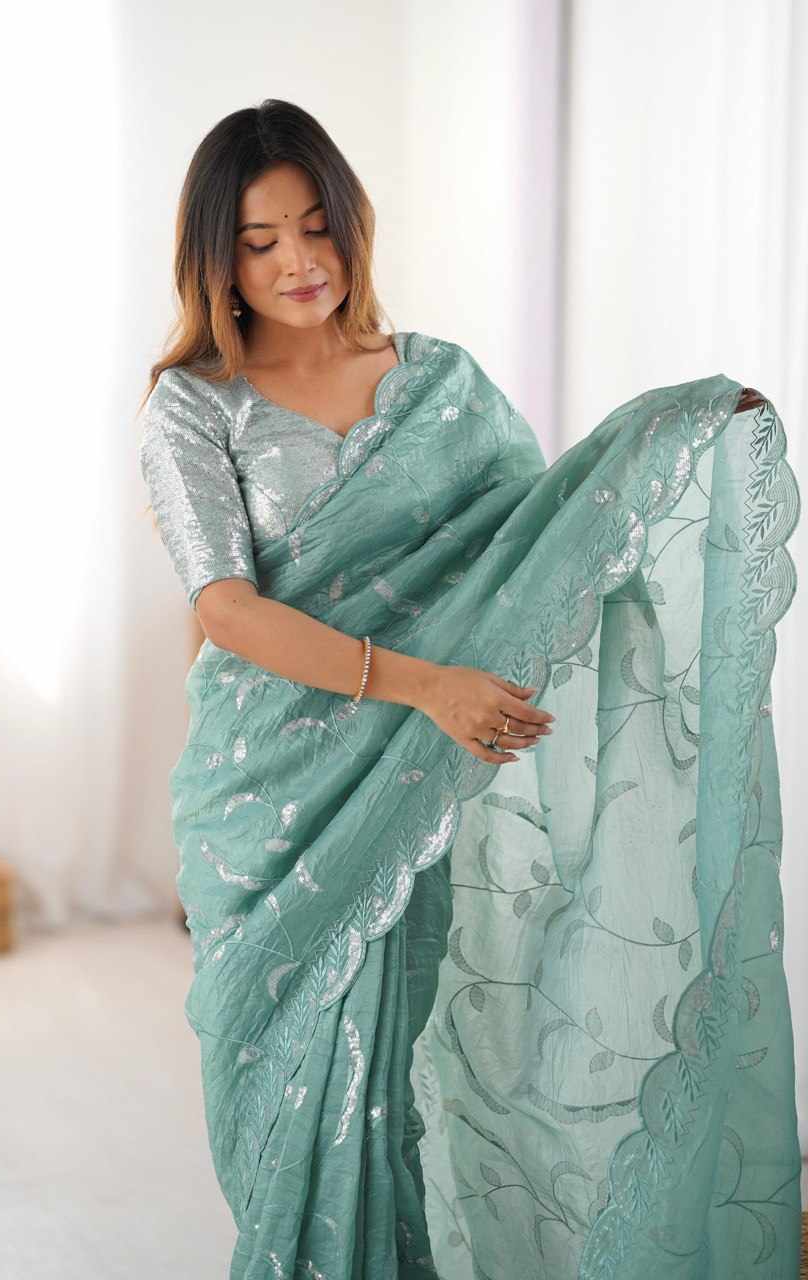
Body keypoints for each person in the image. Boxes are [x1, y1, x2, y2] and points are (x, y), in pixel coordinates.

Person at [136, 98, 802, 1279]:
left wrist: (671, 436)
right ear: (217, 259)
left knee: (396, 1070)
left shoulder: (439, 384)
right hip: (272, 795)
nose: (298, 260)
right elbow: (225, 608)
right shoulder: (196, 406)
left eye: (315, 225)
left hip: (411, 780)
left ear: (351, 222)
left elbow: (535, 549)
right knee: (289, 1089)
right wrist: (423, 682)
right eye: (260, 239)